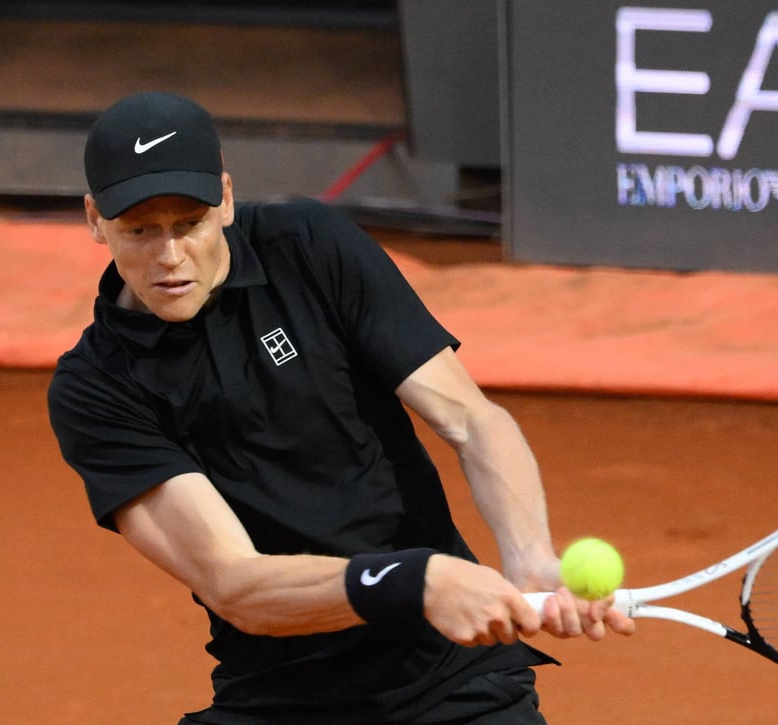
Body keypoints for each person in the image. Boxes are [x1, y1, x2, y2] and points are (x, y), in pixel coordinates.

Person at [47, 91, 634, 724]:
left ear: (225, 198)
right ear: (94, 219)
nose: (168, 257)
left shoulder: (308, 247)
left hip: (450, 684)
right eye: (140, 231)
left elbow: (470, 418)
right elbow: (236, 585)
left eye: (189, 223)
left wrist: (530, 557)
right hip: (279, 699)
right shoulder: (97, 388)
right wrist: (417, 582)